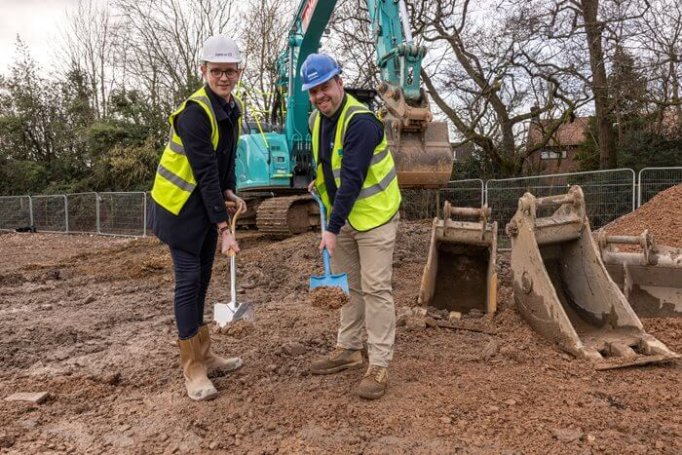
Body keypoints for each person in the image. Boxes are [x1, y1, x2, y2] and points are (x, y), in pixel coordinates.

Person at [149, 35, 247, 401]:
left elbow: (226, 161)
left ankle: (205, 354)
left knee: (203, 279)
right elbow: (205, 172)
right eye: (216, 70)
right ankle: (192, 369)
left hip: (203, 205)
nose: (223, 77)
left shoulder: (231, 108)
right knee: (189, 282)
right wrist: (224, 228)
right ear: (203, 70)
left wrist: (230, 192)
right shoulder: (195, 113)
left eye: (230, 71)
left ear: (238, 72)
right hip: (179, 209)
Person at [302, 53, 401, 400]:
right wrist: (319, 180)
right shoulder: (317, 119)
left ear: (339, 82)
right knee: (349, 287)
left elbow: (354, 179)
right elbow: (329, 161)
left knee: (375, 288)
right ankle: (349, 349)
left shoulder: (361, 122)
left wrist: (330, 228)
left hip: (375, 215)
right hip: (342, 216)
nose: (319, 96)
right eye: (313, 91)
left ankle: (379, 362)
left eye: (325, 87)